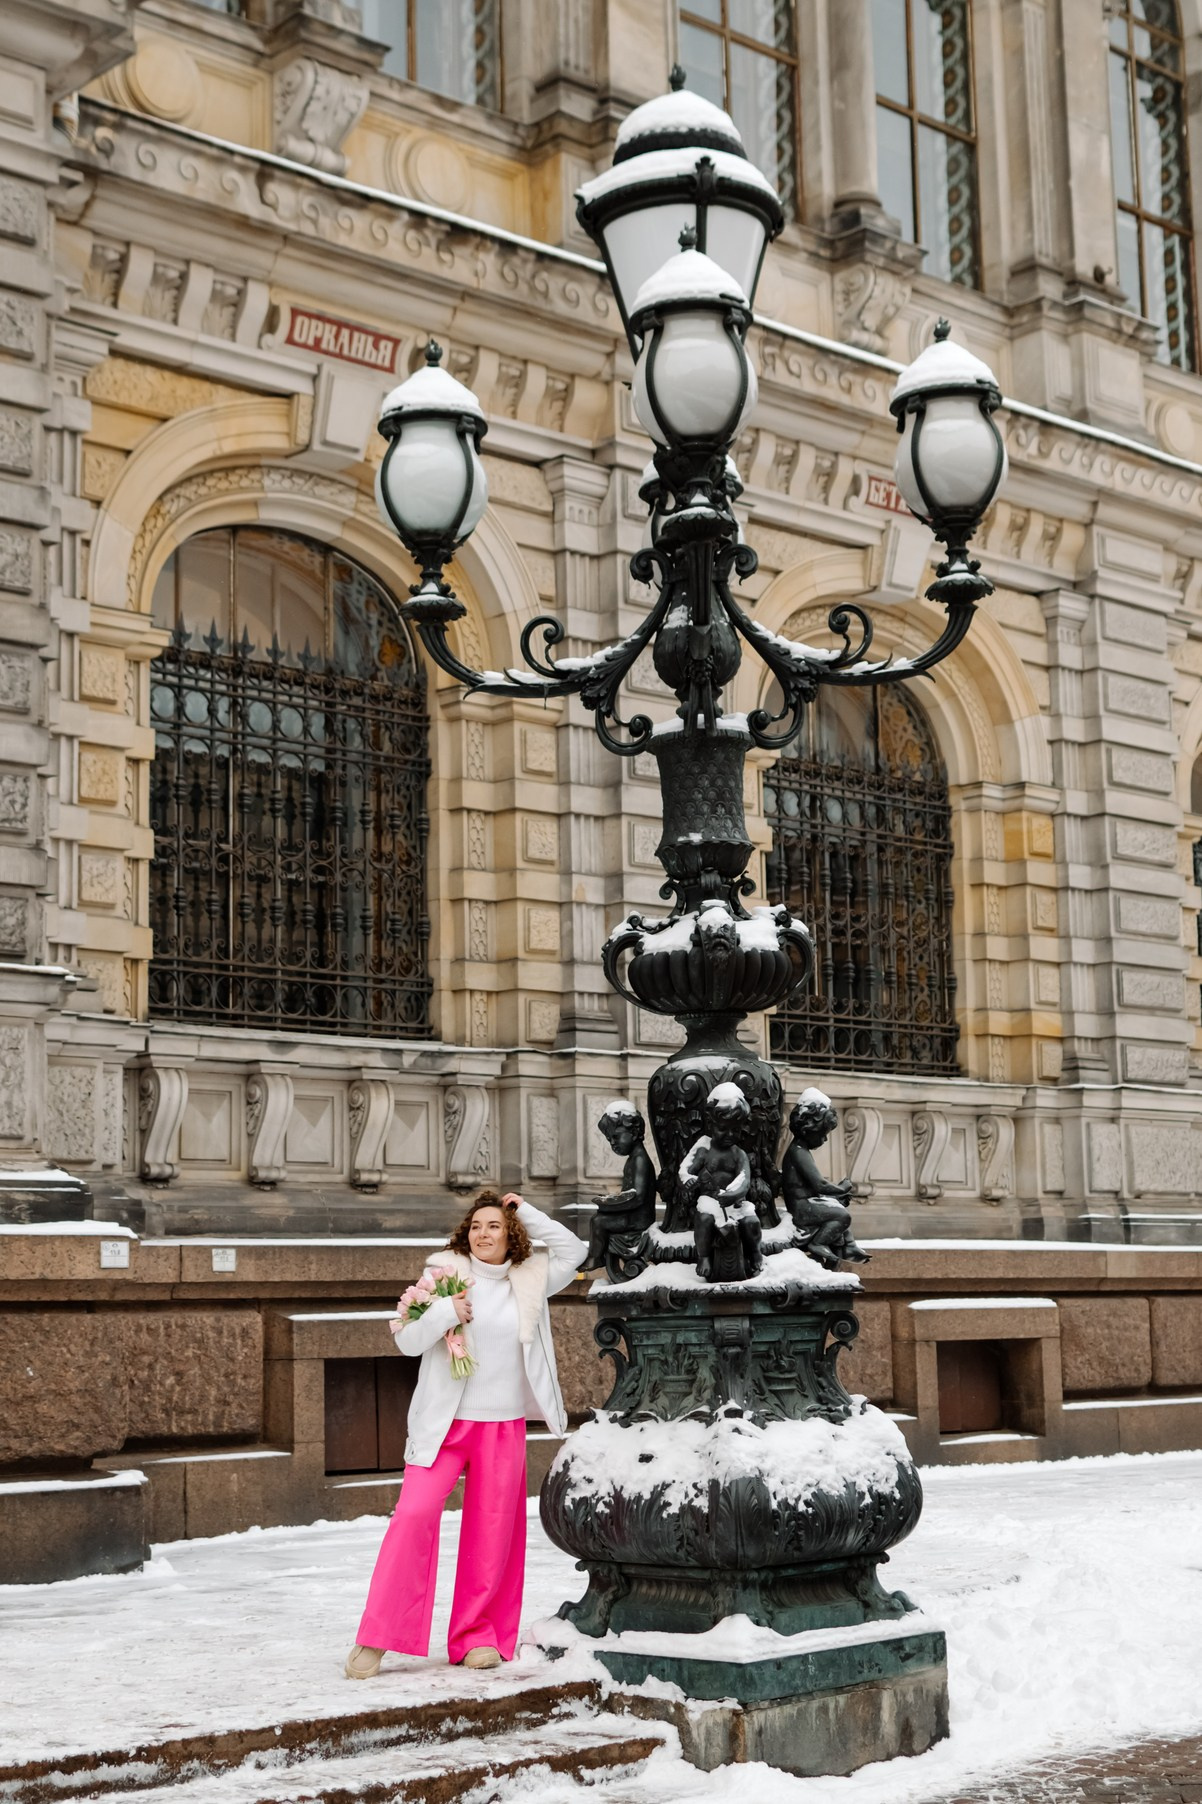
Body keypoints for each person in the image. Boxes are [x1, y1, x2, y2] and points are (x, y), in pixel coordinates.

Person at [345, 1188, 588, 1678]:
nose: (484, 1234)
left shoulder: (531, 1278)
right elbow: (408, 1342)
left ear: (510, 1234)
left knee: (493, 1532)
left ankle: (477, 1636)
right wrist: (443, 1313)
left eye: (495, 1225)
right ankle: (378, 1637)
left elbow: (574, 1251)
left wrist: (525, 1210)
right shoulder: (443, 1275)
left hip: (502, 1426)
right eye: (477, 1226)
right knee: (412, 1517)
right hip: (444, 1424)